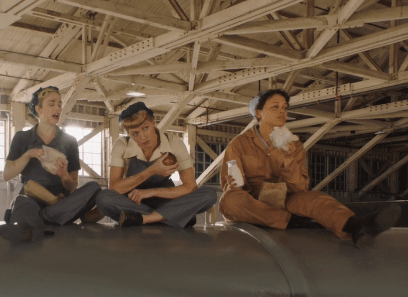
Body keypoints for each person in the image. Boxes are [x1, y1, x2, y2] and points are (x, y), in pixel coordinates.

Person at [219, 89, 401, 246]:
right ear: (259, 113)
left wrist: (289, 158)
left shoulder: (294, 146)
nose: (282, 112)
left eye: (284, 108)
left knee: (314, 199)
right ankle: (292, 222)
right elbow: (231, 186)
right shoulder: (239, 144)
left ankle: (357, 227)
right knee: (230, 201)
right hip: (254, 203)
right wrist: (232, 185)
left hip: (283, 198)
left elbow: (299, 189)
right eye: (275, 107)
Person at [0, 86, 102, 243]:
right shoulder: (22, 138)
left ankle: (34, 222)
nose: (58, 108)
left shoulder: (70, 141)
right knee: (22, 200)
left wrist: (64, 175)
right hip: (32, 197)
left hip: (60, 201)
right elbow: (7, 175)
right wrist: (27, 155)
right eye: (52, 104)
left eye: (59, 104)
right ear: (38, 109)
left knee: (94, 187)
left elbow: (72, 187)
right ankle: (33, 223)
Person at [95, 101, 216, 227]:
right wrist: (152, 170)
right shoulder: (121, 145)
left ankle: (144, 219)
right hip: (133, 203)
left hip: (165, 201)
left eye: (145, 128)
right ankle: (170, 216)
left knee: (209, 194)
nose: (143, 137)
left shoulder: (174, 142)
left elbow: (190, 187)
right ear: (128, 134)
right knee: (103, 198)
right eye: (135, 134)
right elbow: (114, 188)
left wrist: (151, 192)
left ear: (153, 122)